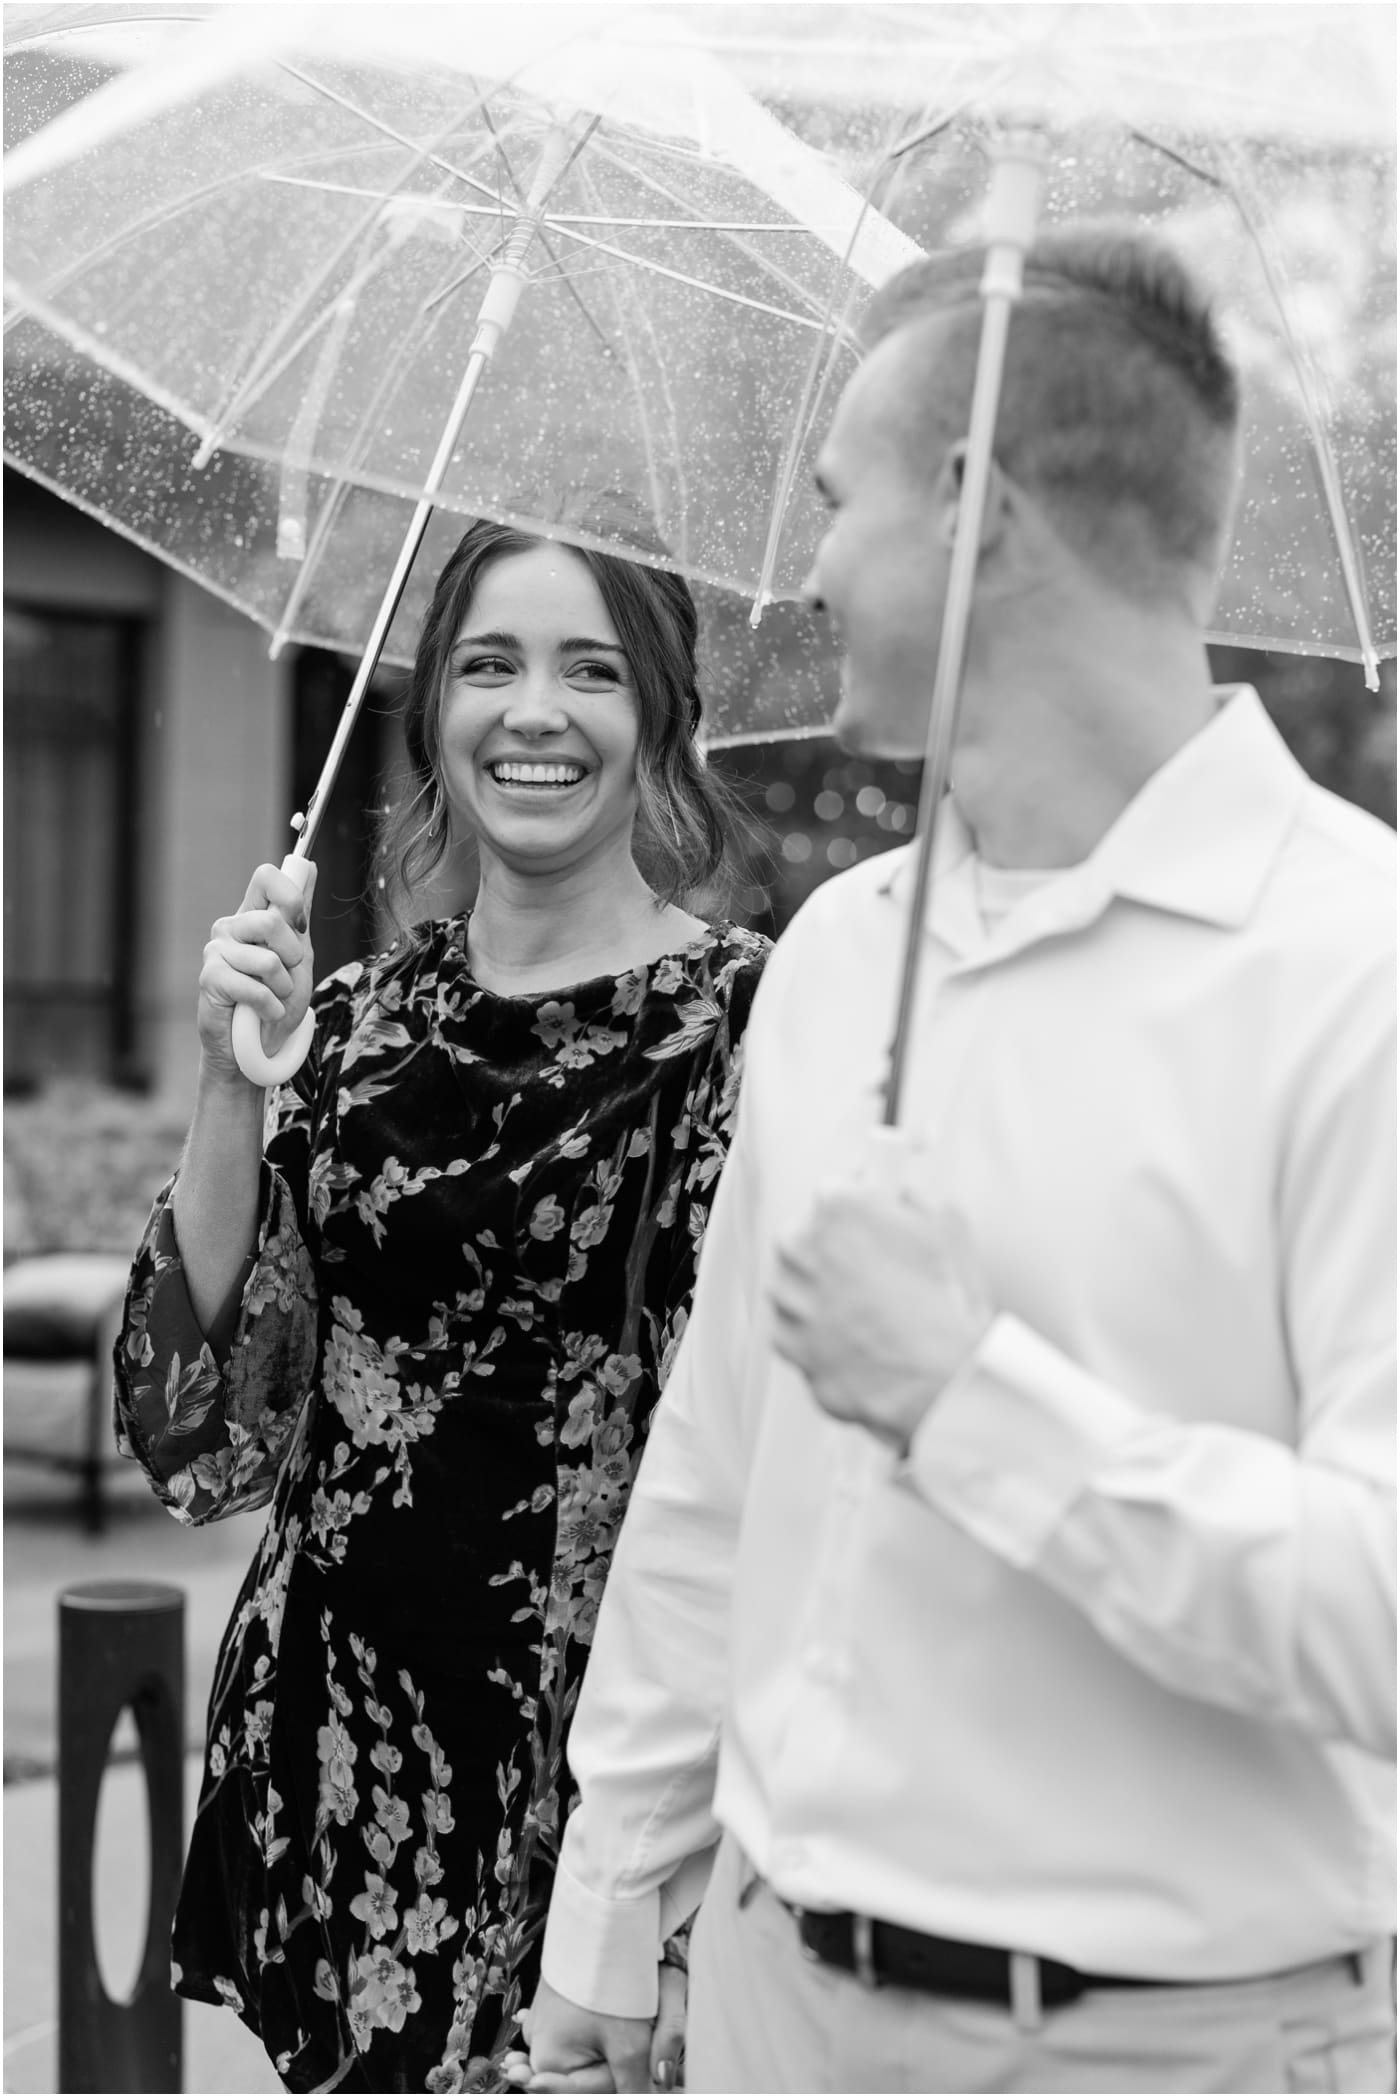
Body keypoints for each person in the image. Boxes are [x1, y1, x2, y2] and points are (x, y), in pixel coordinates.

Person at [516, 227, 1397, 2094]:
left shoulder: (1360, 973)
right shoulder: (838, 957)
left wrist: (968, 1398)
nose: (812, 566)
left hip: (1164, 2051)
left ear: (972, 507)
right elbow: (717, 1464)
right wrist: (609, 1906)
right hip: (758, 2008)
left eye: (838, 504)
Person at [113, 513, 770, 2092]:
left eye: (590, 670)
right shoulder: (346, 1019)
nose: (533, 710)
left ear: (659, 718)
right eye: (489, 664)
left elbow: (762, 1471)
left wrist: (685, 1895)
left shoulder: (746, 1026)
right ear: (433, 715)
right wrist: (228, 1083)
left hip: (598, 1791)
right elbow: (204, 1442)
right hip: (339, 1756)